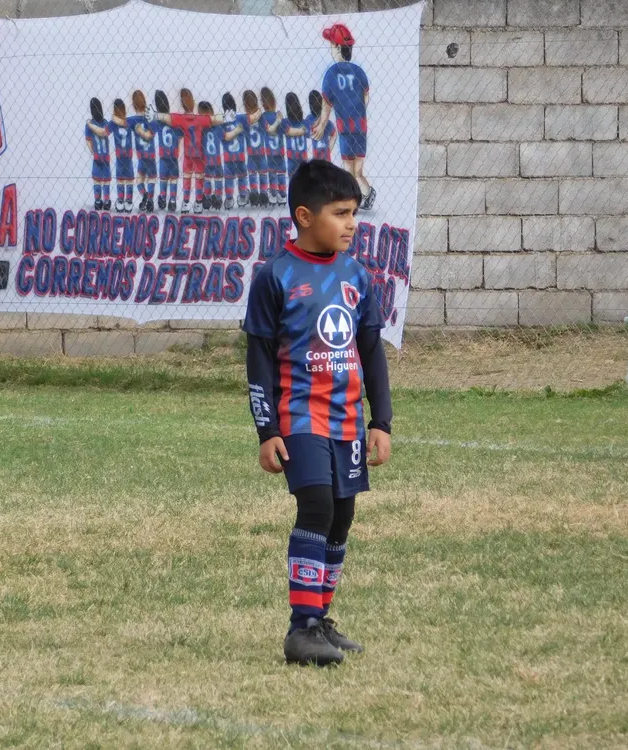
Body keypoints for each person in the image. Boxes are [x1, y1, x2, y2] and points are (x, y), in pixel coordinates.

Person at [241, 159, 391, 667]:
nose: (352, 224)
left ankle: (321, 618)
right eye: (341, 213)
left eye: (355, 214)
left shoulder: (356, 275)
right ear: (304, 216)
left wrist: (381, 421)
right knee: (318, 507)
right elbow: (259, 360)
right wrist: (267, 430)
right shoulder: (275, 276)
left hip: (347, 420)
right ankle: (301, 627)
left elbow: (371, 351)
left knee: (343, 514)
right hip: (300, 418)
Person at [312, 24, 374, 210]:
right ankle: (368, 194)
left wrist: (322, 124)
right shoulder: (359, 72)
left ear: (338, 47)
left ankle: (352, 202)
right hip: (360, 126)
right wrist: (357, 110)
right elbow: (366, 97)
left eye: (332, 44)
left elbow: (326, 105)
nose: (331, 49)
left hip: (345, 127)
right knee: (358, 171)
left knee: (348, 169)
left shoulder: (330, 74)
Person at [85, 97, 112, 211]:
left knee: (97, 179)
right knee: (106, 179)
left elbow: (89, 140)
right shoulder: (105, 122)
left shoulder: (89, 124)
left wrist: (93, 151)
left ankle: (97, 200)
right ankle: (106, 201)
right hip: (105, 156)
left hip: (97, 156)